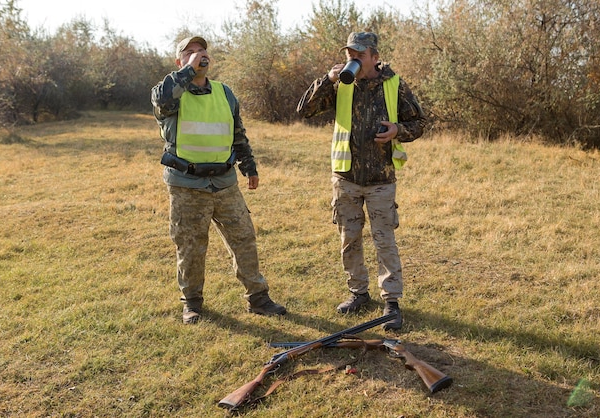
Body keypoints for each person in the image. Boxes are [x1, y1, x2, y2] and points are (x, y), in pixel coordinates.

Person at [151, 36, 286, 324]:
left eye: (202, 51)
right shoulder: (169, 92)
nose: (199, 55)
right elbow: (163, 99)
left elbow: (237, 133)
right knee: (191, 246)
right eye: (190, 52)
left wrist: (249, 167)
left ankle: (258, 298)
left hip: (224, 182)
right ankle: (192, 304)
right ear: (179, 62)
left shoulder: (225, 93)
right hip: (187, 185)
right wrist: (188, 70)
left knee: (244, 239)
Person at [296, 32, 426, 330]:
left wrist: (397, 130)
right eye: (349, 54)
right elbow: (304, 110)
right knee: (349, 239)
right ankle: (358, 294)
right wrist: (327, 80)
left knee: (384, 240)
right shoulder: (341, 83)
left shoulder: (393, 84)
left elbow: (419, 122)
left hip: (381, 179)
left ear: (374, 57)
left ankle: (391, 303)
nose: (352, 59)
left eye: (359, 54)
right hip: (346, 178)